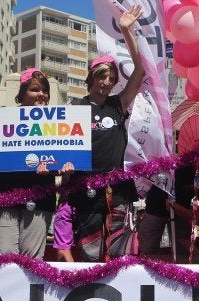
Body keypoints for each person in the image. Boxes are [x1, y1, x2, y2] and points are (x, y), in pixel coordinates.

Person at [53, 5, 144, 262]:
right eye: (102, 76)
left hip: (118, 190)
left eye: (112, 78)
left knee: (120, 252)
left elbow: (139, 72)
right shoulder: (74, 107)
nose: (107, 82)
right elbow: (61, 148)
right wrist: (64, 166)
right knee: (89, 252)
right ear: (91, 78)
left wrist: (127, 32)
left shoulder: (118, 104)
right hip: (86, 190)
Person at [0, 69, 69, 259]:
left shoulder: (58, 121)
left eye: (45, 90)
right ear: (22, 94)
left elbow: (65, 159)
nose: (41, 94)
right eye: (35, 89)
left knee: (32, 260)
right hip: (4, 201)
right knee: (6, 259)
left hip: (40, 200)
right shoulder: (2, 116)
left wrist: (58, 169)